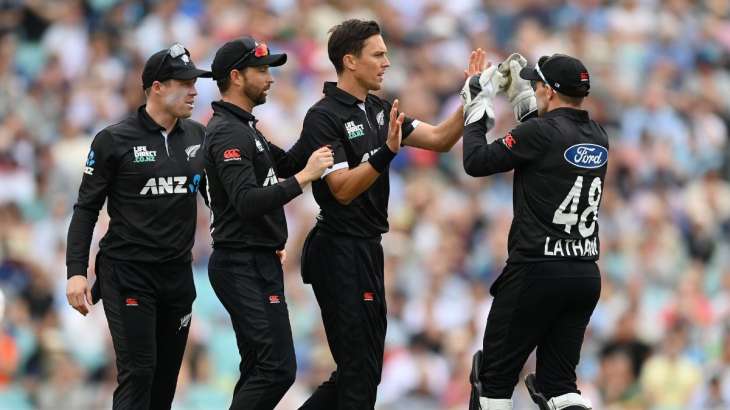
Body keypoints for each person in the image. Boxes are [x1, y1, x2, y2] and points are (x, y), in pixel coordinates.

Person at [288, 19, 485, 409]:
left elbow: (441, 139)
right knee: (359, 372)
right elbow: (341, 190)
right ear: (350, 61)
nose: (387, 62)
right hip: (339, 250)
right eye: (378, 54)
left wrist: (472, 95)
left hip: (367, 248)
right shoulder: (323, 116)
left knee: (363, 371)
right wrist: (387, 153)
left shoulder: (379, 110)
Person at [65, 43, 211, 410]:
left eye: (195, 82)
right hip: (128, 272)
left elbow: (219, 199)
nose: (194, 90)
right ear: (157, 87)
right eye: (184, 82)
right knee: (139, 372)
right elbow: (86, 209)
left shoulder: (198, 136)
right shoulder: (114, 140)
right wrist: (76, 272)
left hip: (177, 275)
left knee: (164, 383)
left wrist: (261, 237)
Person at [461, 53, 608, 410]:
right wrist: (522, 101)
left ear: (548, 90)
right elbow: (546, 142)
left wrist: (477, 105)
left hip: (536, 271)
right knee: (560, 387)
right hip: (584, 273)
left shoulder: (541, 132)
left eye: (536, 84)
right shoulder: (598, 135)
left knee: (492, 384)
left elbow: (476, 161)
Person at [203, 37, 334, 410]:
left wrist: (324, 117)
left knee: (261, 367)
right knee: (276, 369)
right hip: (240, 262)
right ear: (236, 76)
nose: (270, 78)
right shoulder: (228, 131)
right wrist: (305, 178)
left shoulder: (245, 128)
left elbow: (288, 163)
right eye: (261, 70)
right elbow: (246, 201)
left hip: (257, 260)